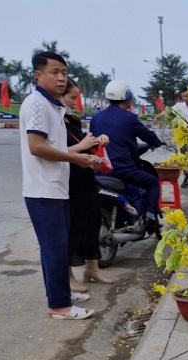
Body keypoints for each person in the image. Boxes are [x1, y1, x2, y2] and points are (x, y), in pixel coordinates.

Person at [19, 51, 101, 320]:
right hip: (43, 189)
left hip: (56, 187)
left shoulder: (53, 106)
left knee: (58, 246)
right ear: (38, 74)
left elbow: (56, 147)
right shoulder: (38, 105)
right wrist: (75, 158)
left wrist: (82, 154)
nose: (61, 78)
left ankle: (61, 294)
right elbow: (37, 147)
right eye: (54, 72)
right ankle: (59, 307)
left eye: (64, 72)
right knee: (54, 249)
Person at [62, 78, 114, 291]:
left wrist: (97, 141)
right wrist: (81, 146)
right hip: (69, 181)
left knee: (93, 221)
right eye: (72, 98)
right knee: (74, 228)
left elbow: (84, 145)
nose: (75, 102)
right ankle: (69, 274)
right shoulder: (55, 123)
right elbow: (52, 151)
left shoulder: (72, 121)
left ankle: (92, 268)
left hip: (86, 179)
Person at [90, 80, 164, 226]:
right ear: (129, 99)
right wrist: (158, 143)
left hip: (100, 171)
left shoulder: (95, 119)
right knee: (153, 182)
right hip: (124, 170)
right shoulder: (129, 118)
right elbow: (148, 136)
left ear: (107, 99)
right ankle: (149, 215)